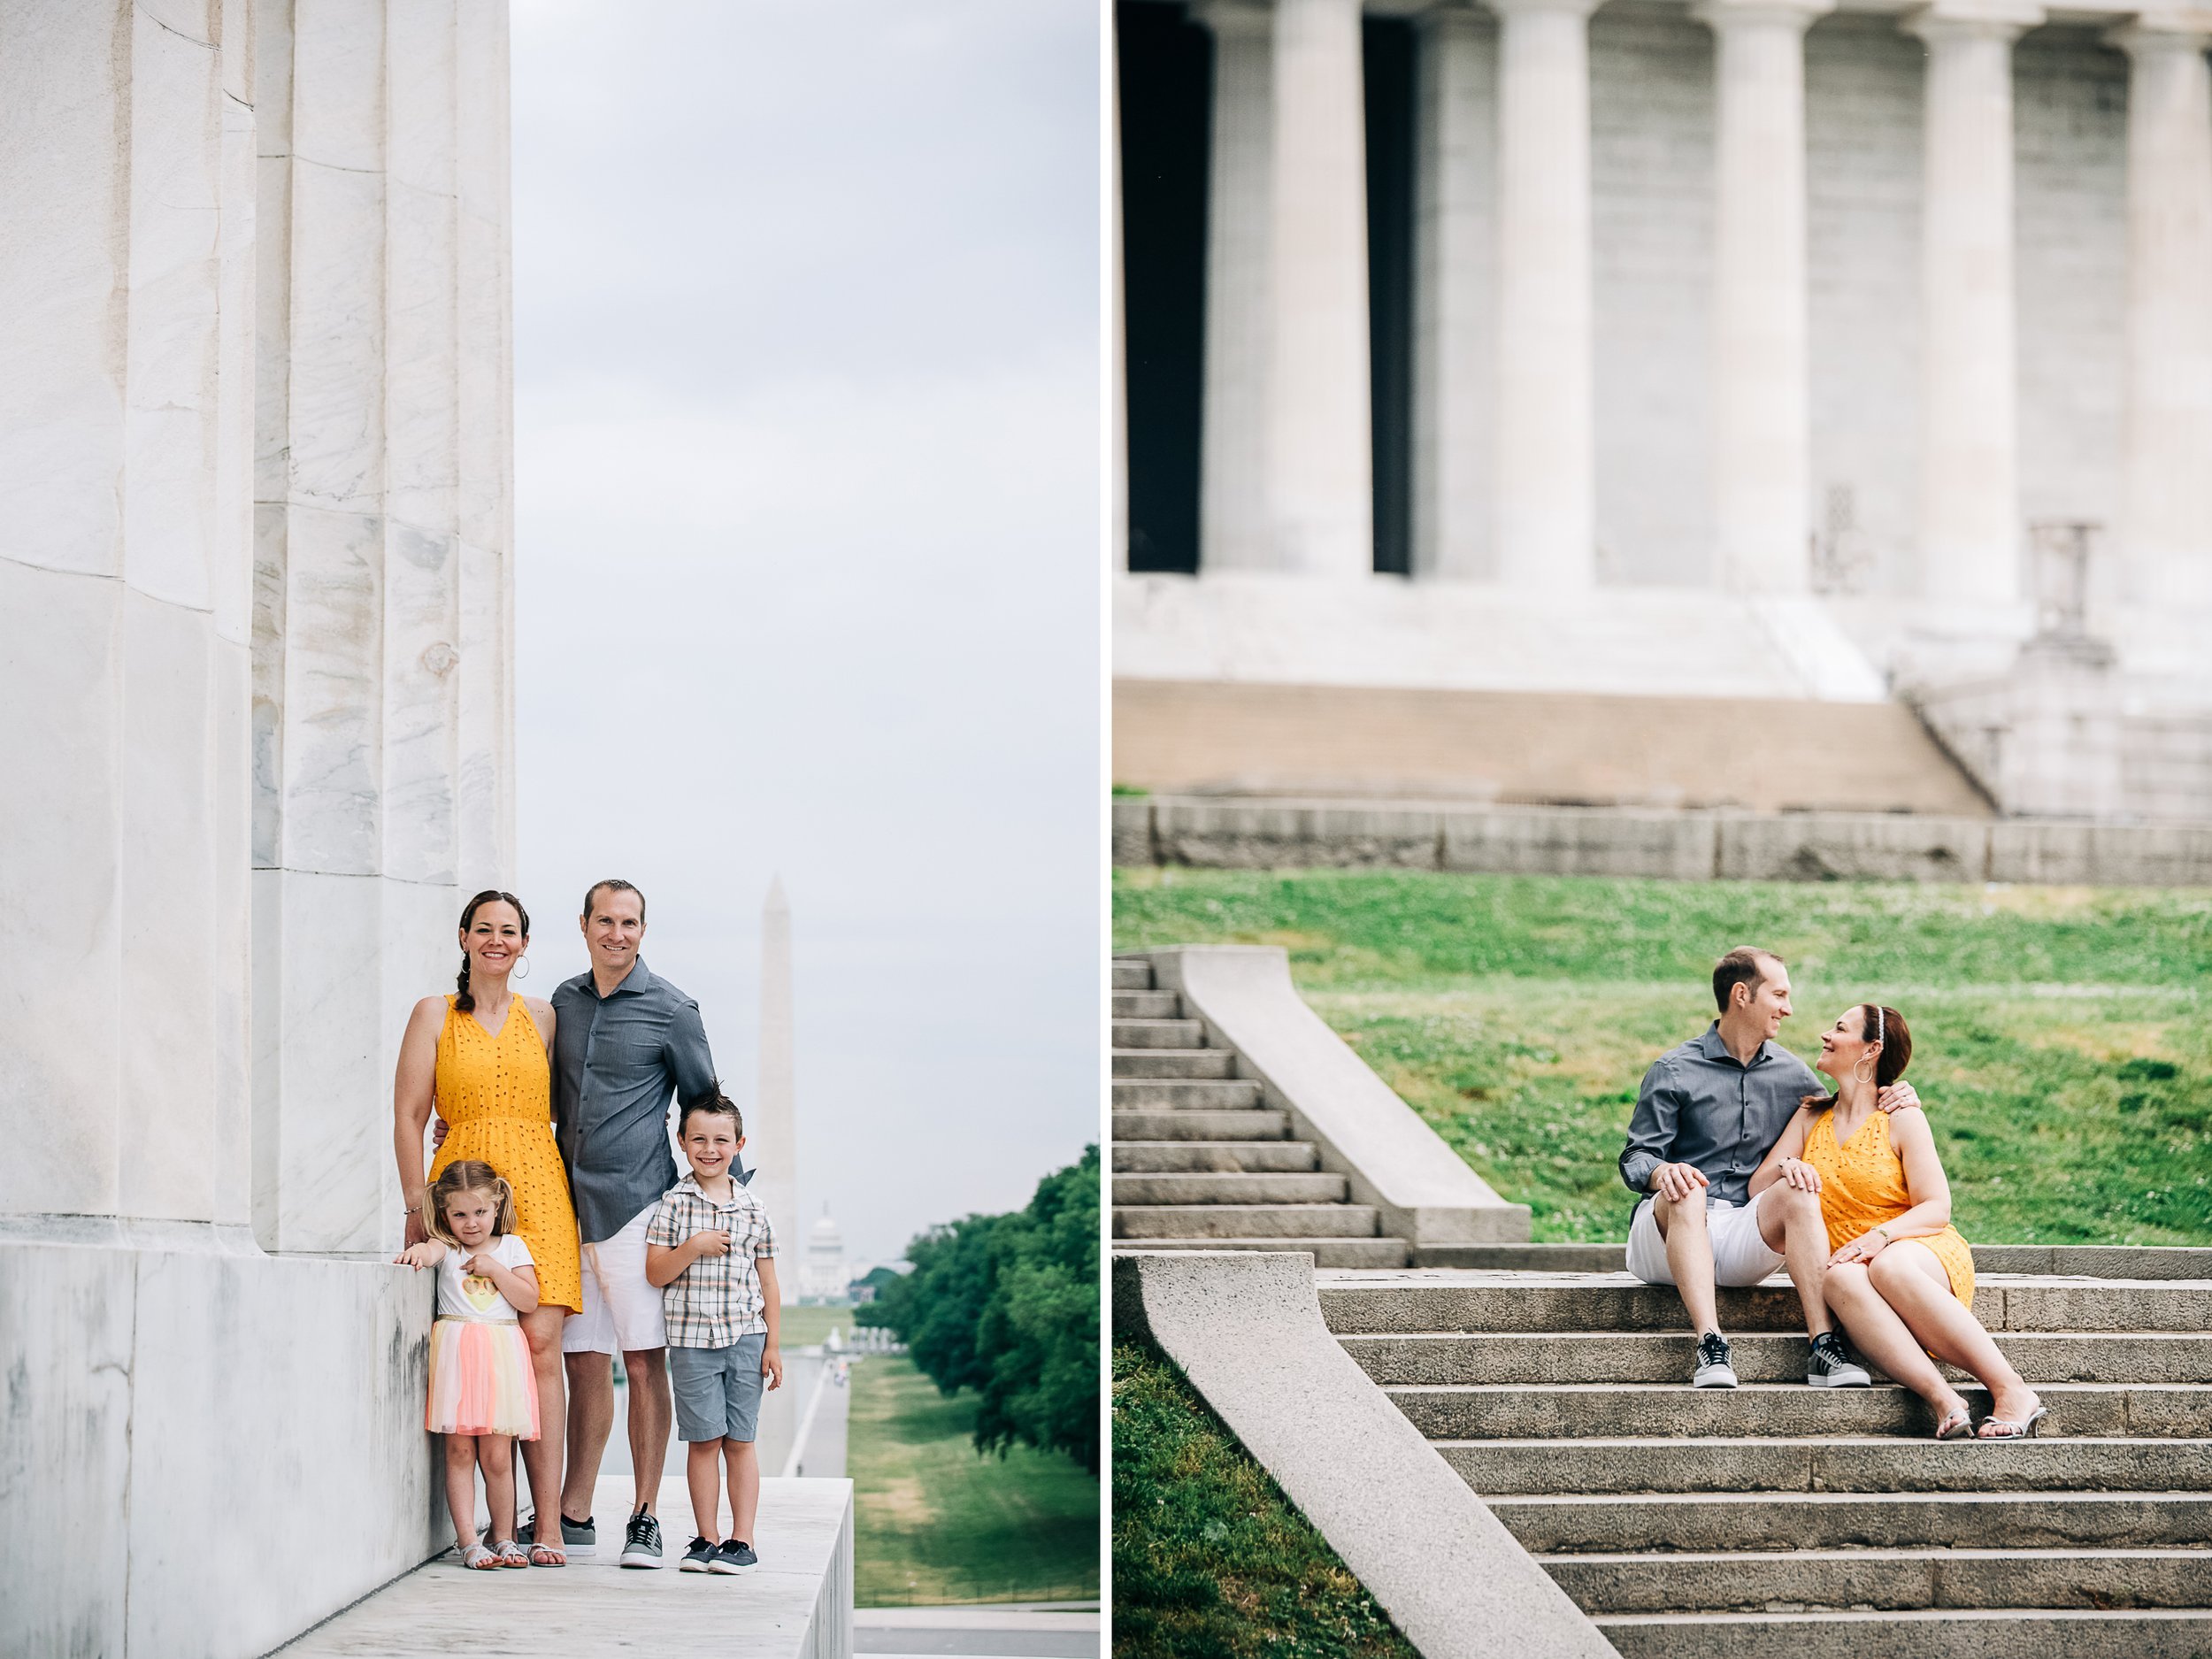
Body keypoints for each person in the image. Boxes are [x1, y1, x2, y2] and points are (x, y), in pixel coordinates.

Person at [1619, 947, 1918, 1388]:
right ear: (1742, 995)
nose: (1789, 1009)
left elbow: (1851, 1103)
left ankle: (1822, 1346)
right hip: (1665, 1235)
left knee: (1799, 1190)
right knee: (1688, 1187)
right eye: (1778, 995)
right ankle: (1710, 1345)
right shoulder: (1674, 1070)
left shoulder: (1793, 1077)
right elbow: (1635, 1156)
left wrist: (1899, 1093)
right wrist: (1663, 1173)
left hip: (1743, 1230)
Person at [1749, 1004, 2046, 1440]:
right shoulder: (1811, 1117)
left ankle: (2013, 1390)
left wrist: (1880, 1237)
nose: (1824, 1036)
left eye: (1839, 1029)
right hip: (1850, 1261)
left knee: (1887, 1265)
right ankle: (1944, 1399)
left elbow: (1936, 1207)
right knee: (1839, 1280)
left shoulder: (1902, 1117)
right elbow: (1759, 1186)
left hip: (1915, 1245)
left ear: (1872, 1049)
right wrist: (1788, 1167)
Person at [395, 890, 580, 1566]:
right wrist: (419, 1208)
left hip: (538, 1185)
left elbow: (564, 1107)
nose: (496, 940)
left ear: (525, 944)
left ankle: (548, 1525)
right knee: (473, 1337)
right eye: (484, 929)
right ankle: (485, 1528)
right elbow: (410, 1115)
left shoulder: (546, 1016)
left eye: (509, 931)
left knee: (540, 1347)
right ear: (465, 937)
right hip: (462, 1190)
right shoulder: (433, 1014)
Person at [552, 879, 724, 1570]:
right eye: (605, 920)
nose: (616, 933)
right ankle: (573, 1508)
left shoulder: (673, 1009)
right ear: (585, 924)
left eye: (629, 922)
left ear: (643, 929)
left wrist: (719, 1200)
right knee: (582, 1359)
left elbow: (705, 1105)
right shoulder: (562, 1001)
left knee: (643, 1359)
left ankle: (646, 1514)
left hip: (637, 1209)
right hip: (567, 1207)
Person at [645, 1090, 784, 1574]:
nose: (710, 1148)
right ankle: (706, 1537)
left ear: (739, 1144)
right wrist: (694, 1246)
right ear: (681, 1142)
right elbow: (656, 1272)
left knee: (740, 1441)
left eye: (721, 1139)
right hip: (690, 1342)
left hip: (746, 1336)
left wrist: (774, 1345)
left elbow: (768, 1281)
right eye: (698, 1138)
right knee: (703, 1441)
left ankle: (741, 1541)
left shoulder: (754, 1208)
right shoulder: (673, 1205)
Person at [396, 1161, 542, 1570]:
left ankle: (505, 1537)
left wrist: (495, 1269)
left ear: (496, 1206)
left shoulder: (512, 1248)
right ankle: (467, 1542)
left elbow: (528, 1300)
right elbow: (431, 1249)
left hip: (499, 1359)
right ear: (444, 1215)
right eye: (459, 1214)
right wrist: (417, 1253)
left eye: (479, 1212)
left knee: (497, 1457)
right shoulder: (449, 1247)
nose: (471, 1223)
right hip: (458, 1361)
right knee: (459, 1452)